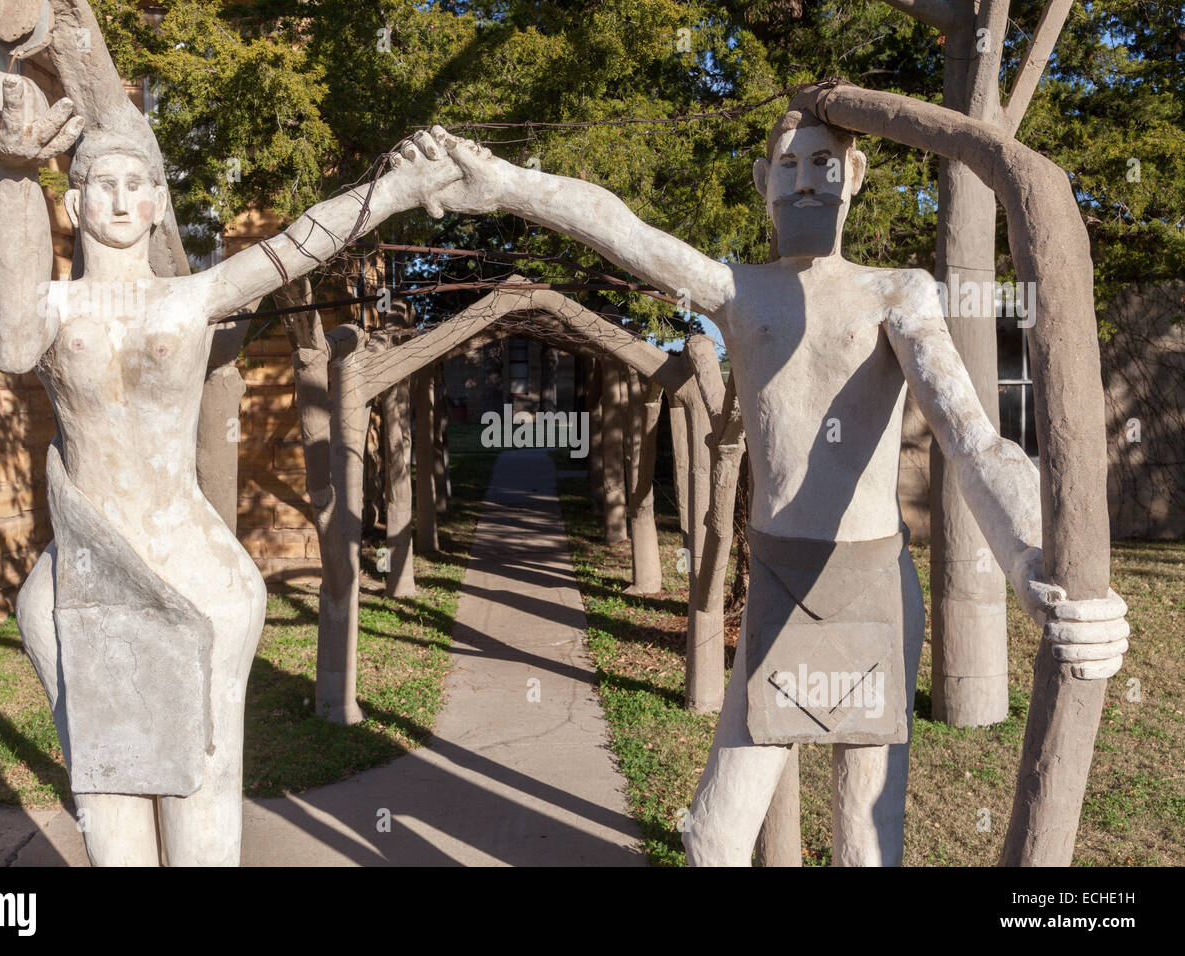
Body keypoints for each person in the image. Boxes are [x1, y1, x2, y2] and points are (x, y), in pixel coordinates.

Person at [426, 110, 1130, 865]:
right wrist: (502, 182)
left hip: (875, 591)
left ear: (853, 178)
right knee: (714, 833)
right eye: (788, 167)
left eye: (824, 164)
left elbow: (974, 439)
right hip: (780, 583)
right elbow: (622, 230)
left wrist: (1035, 565)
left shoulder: (898, 293)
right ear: (763, 184)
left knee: (866, 836)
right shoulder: (737, 291)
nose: (805, 181)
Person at [0, 71, 460, 866]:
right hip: (82, 584)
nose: (117, 200)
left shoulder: (192, 298)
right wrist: (8, 177)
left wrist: (398, 188)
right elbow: (8, 342)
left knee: (200, 796)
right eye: (100, 185)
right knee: (106, 806)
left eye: (137, 185)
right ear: (73, 204)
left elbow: (299, 242)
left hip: (196, 578)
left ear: (156, 206)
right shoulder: (53, 309)